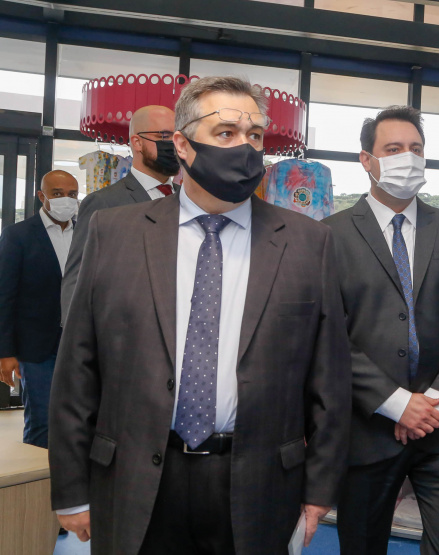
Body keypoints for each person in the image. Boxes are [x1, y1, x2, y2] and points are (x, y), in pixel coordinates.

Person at [48, 76, 351, 555]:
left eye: (254, 136)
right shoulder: (115, 232)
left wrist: (319, 491)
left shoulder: (308, 242)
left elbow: (329, 380)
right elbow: (77, 367)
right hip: (135, 477)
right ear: (183, 145)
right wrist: (69, 488)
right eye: (226, 133)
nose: (245, 148)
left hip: (258, 482)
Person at [324, 106, 439, 555]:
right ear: (366, 159)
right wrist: (397, 405)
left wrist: (431, 404)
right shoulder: (329, 235)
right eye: (393, 149)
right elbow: (329, 335)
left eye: (415, 149)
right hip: (366, 427)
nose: (407, 158)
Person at [60, 104, 181, 325]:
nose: (172, 144)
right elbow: (78, 281)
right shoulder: (104, 203)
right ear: (137, 142)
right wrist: (81, 349)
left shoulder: (191, 202)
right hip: (124, 335)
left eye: (177, 136)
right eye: (163, 135)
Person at [0, 170, 79, 448]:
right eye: (57, 194)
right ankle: (41, 487)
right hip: (35, 347)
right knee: (43, 421)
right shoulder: (17, 235)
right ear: (41, 196)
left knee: (76, 420)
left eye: (72, 194)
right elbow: (5, 296)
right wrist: (5, 352)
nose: (65, 200)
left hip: (79, 343)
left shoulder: (87, 234)